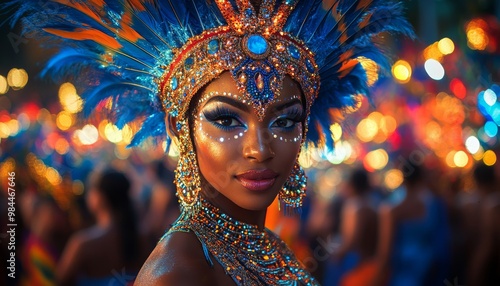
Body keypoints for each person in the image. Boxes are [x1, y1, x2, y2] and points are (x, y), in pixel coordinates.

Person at [6, 0, 413, 284]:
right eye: (226, 119)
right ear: (177, 126)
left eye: (285, 120)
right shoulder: (178, 270)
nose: (260, 148)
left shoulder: (266, 244)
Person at [56, 169, 145, 285]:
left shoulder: (82, 244)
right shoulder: (145, 239)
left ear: (100, 197)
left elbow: (58, 281)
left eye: (91, 189)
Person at [373, 161, 450, 286]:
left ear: (402, 178)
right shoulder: (431, 206)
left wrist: (376, 278)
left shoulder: (392, 209)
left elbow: (385, 252)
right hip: (427, 268)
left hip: (401, 270)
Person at [323, 167, 378, 286]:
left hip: (353, 262)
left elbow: (351, 240)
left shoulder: (354, 207)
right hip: (370, 263)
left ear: (352, 185)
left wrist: (336, 255)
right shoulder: (374, 205)